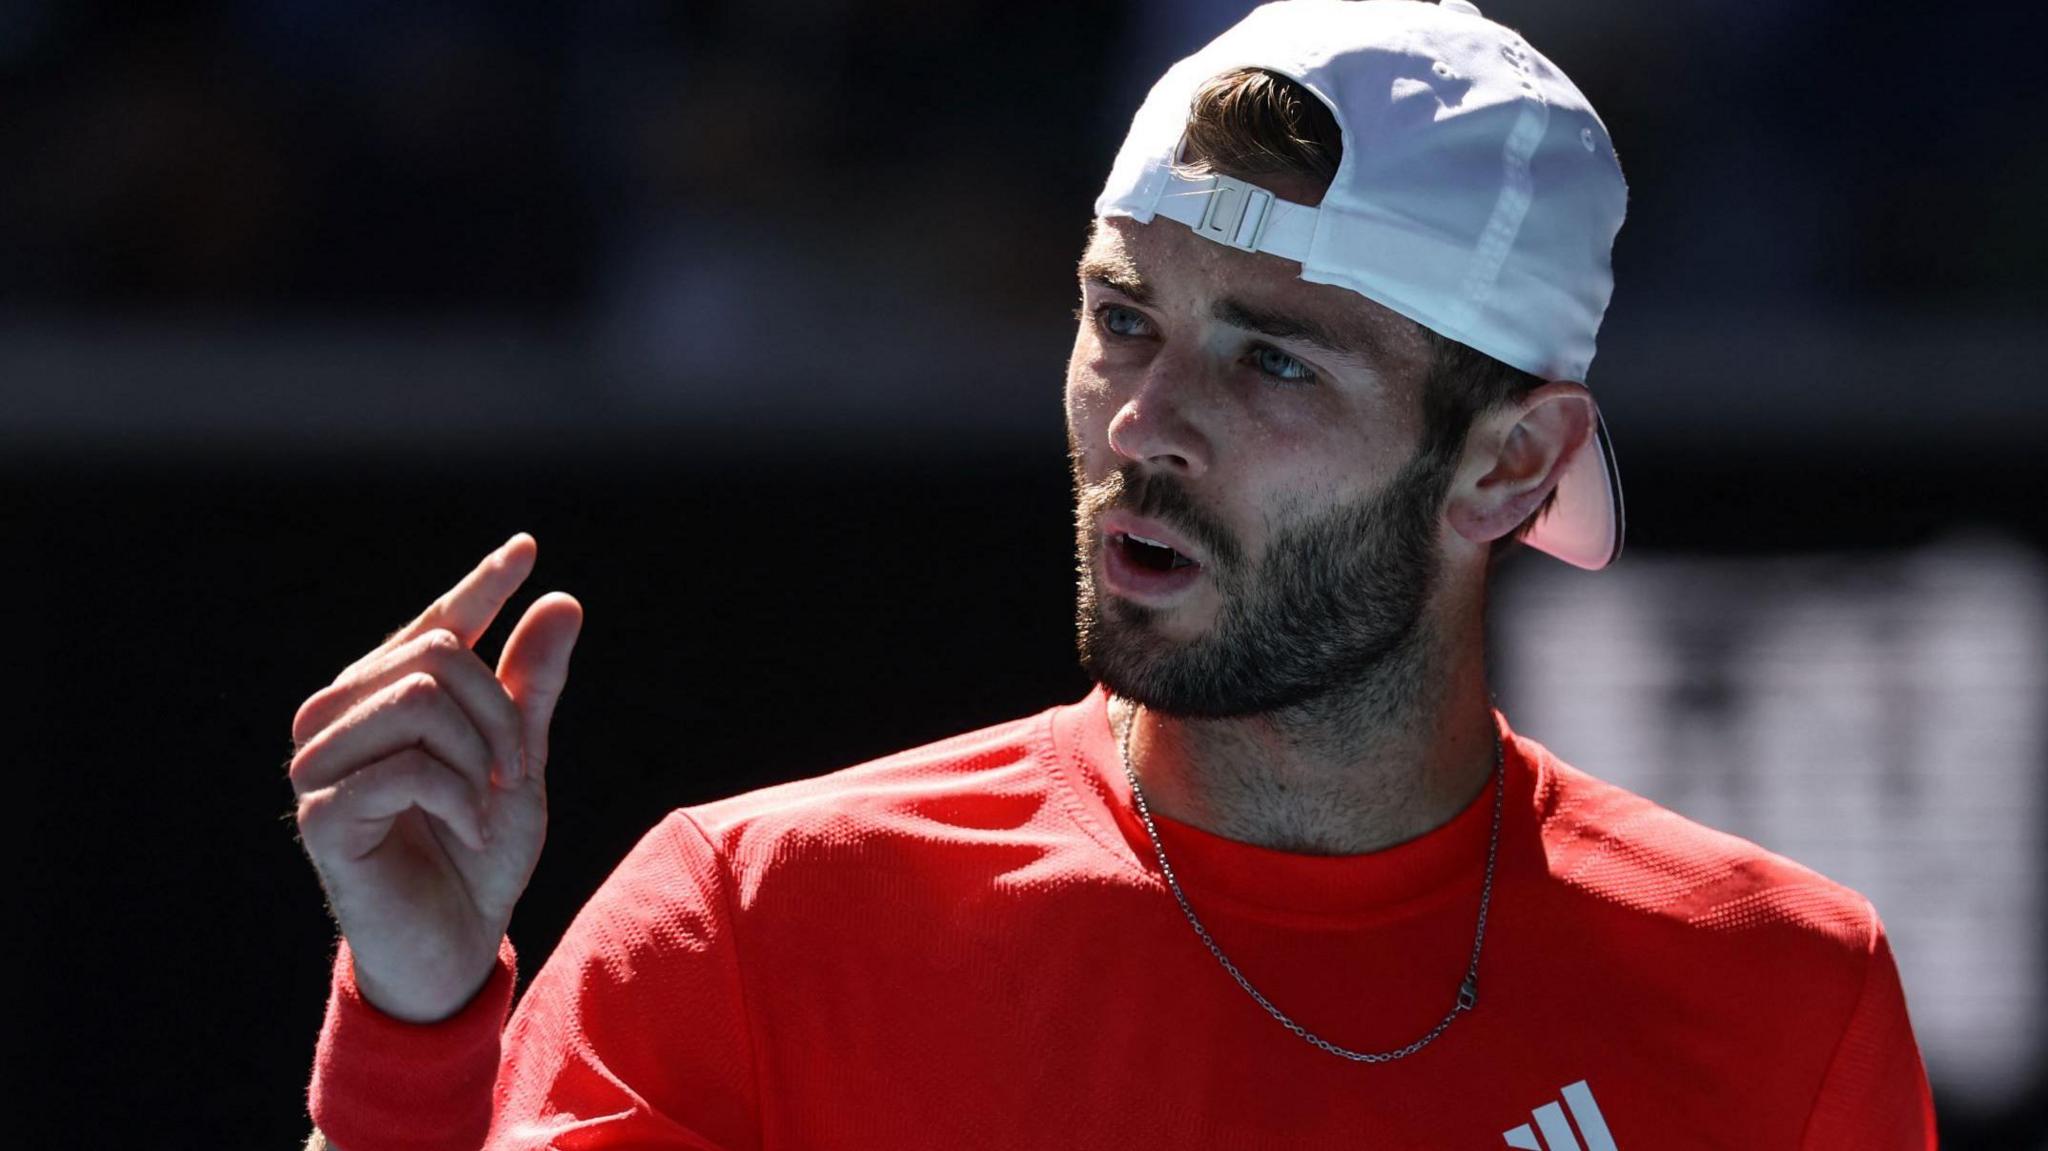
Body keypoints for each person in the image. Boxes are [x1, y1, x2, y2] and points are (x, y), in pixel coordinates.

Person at [291, 2, 1937, 1147]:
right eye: (1122, 318)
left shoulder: (1787, 991)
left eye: (1275, 365)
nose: (1146, 423)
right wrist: (424, 1048)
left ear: (1508, 462)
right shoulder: (750, 926)